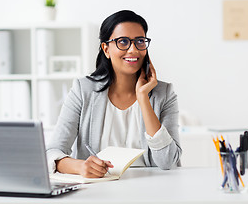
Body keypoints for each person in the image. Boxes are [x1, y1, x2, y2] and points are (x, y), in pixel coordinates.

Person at [46, 10, 181, 178]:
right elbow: (52, 152)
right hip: (97, 190)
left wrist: (143, 99)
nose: (133, 49)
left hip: (149, 190)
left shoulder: (164, 94)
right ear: (106, 49)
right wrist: (80, 166)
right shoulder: (83, 90)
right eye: (123, 42)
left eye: (139, 41)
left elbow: (168, 161)